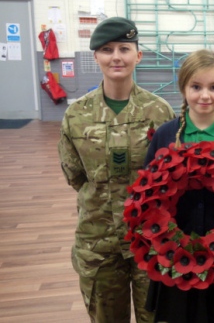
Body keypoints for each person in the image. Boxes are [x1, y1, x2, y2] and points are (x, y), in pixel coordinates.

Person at [58, 17, 175, 323]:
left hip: (152, 241)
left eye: (125, 48)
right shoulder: (76, 115)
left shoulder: (160, 112)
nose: (116, 57)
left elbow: (172, 177)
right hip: (99, 244)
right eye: (107, 49)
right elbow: (75, 176)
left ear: (139, 55)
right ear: (95, 56)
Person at [144, 49, 214, 323]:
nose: (205, 95)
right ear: (183, 88)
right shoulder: (166, 135)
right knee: (178, 313)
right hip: (174, 252)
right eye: (196, 87)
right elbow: (147, 190)